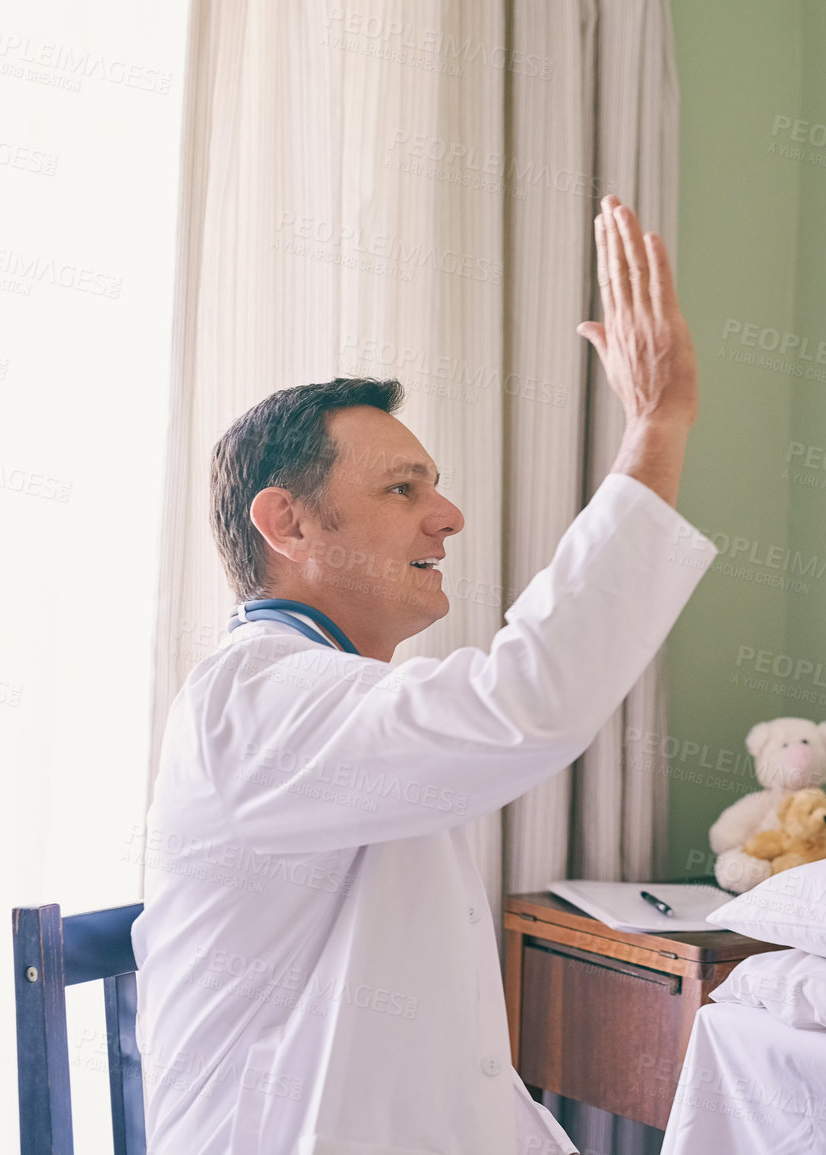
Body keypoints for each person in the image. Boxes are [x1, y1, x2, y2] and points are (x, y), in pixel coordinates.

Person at [131, 196, 711, 1154]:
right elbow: (525, 704)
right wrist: (657, 425)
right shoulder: (253, 701)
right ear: (288, 523)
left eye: (433, 485)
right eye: (403, 489)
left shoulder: (341, 702)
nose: (448, 516)